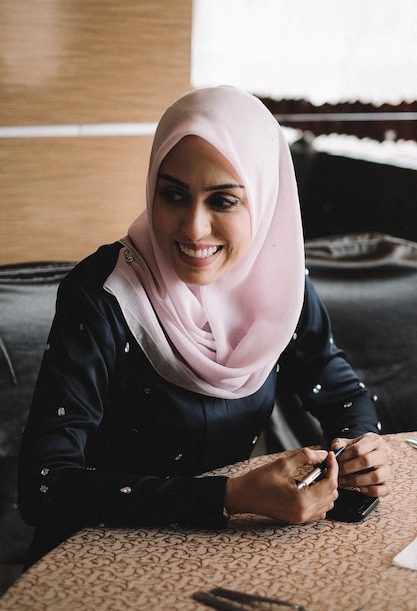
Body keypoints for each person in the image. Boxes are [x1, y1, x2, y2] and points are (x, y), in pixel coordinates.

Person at [18, 86, 391, 568]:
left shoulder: (277, 286)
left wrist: (358, 452)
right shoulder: (101, 295)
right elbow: (44, 486)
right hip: (92, 561)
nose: (194, 228)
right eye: (173, 195)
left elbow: (341, 390)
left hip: (220, 554)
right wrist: (230, 496)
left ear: (263, 200)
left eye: (224, 201)